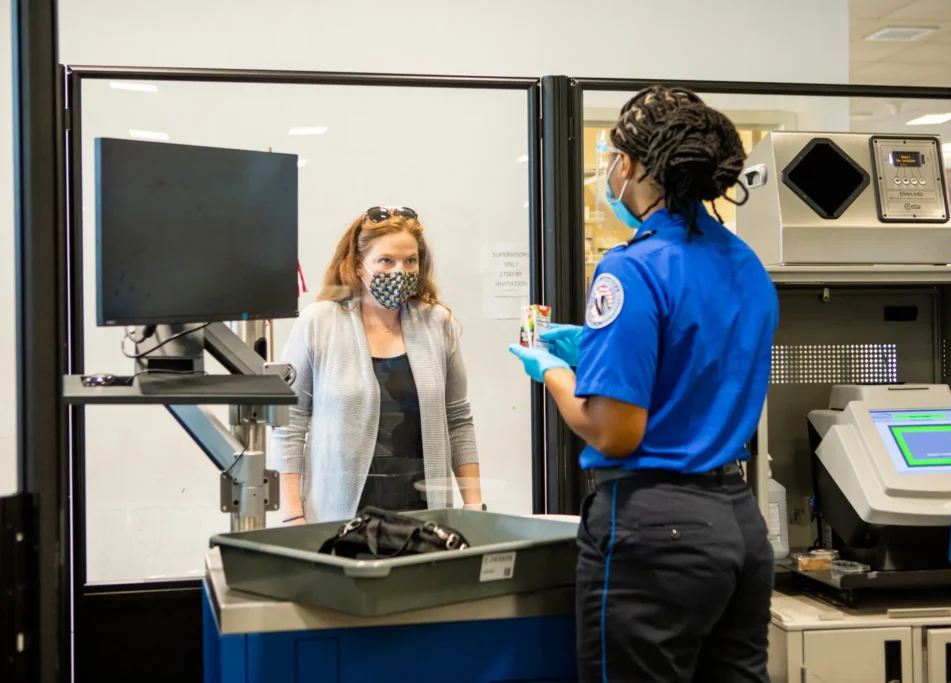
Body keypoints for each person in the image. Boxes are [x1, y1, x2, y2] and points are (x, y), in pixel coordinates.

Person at [509, 86, 779, 682]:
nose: (610, 172)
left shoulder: (631, 267)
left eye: (612, 157)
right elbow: (698, 364)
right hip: (739, 523)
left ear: (629, 164)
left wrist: (554, 372)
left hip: (657, 530)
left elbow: (615, 433)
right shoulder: (746, 264)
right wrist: (602, 350)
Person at [271, 206, 483, 525]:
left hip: (423, 514)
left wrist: (474, 507)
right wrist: (291, 515)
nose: (400, 271)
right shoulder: (318, 322)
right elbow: (289, 423)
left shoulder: (438, 323)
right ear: (358, 266)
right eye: (386, 261)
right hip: (339, 516)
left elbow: (458, 419)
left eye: (410, 261)